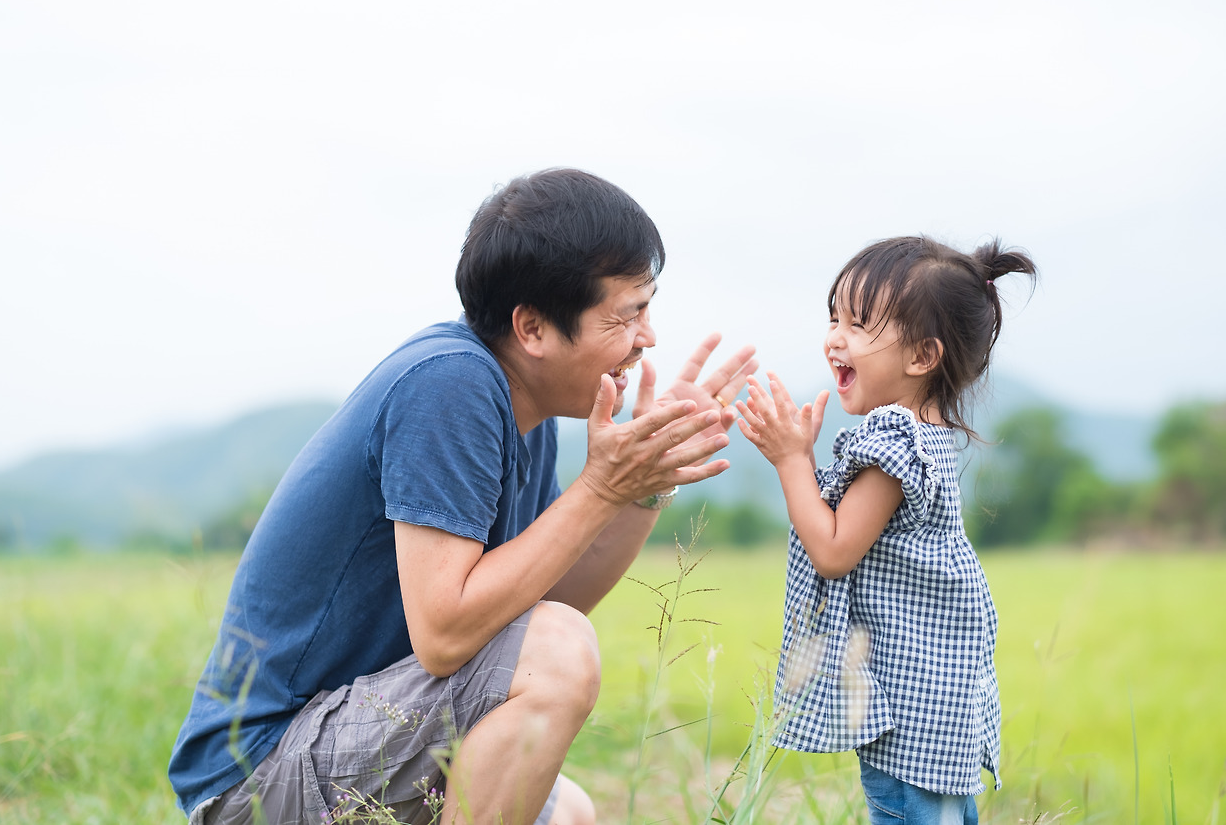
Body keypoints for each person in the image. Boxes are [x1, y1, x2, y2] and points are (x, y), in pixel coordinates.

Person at [168, 167, 758, 825]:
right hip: (260, 775)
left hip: (349, 740)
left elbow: (534, 612)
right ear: (532, 328)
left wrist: (645, 488)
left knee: (570, 813)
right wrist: (599, 487)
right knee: (560, 652)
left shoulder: (524, 412)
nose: (646, 338)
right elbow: (449, 636)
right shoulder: (451, 385)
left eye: (647, 309)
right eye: (625, 316)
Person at [734, 236, 1037, 824]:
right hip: (938, 701)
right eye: (834, 317)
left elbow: (833, 550)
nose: (835, 337)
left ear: (923, 357)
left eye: (859, 323)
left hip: (909, 706)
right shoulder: (930, 436)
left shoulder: (894, 438)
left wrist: (792, 461)